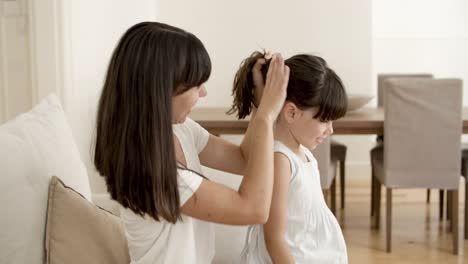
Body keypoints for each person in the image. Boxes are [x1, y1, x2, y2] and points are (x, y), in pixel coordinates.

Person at [93, 22, 289, 264]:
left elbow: (243, 159)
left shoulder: (180, 129)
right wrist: (268, 115)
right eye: (196, 85)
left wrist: (260, 103)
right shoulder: (156, 177)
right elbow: (254, 209)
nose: (204, 92)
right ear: (162, 90)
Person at [231, 51, 348, 263]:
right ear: (291, 112)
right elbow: (274, 239)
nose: (330, 130)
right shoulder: (280, 160)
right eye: (324, 120)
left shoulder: (303, 154)